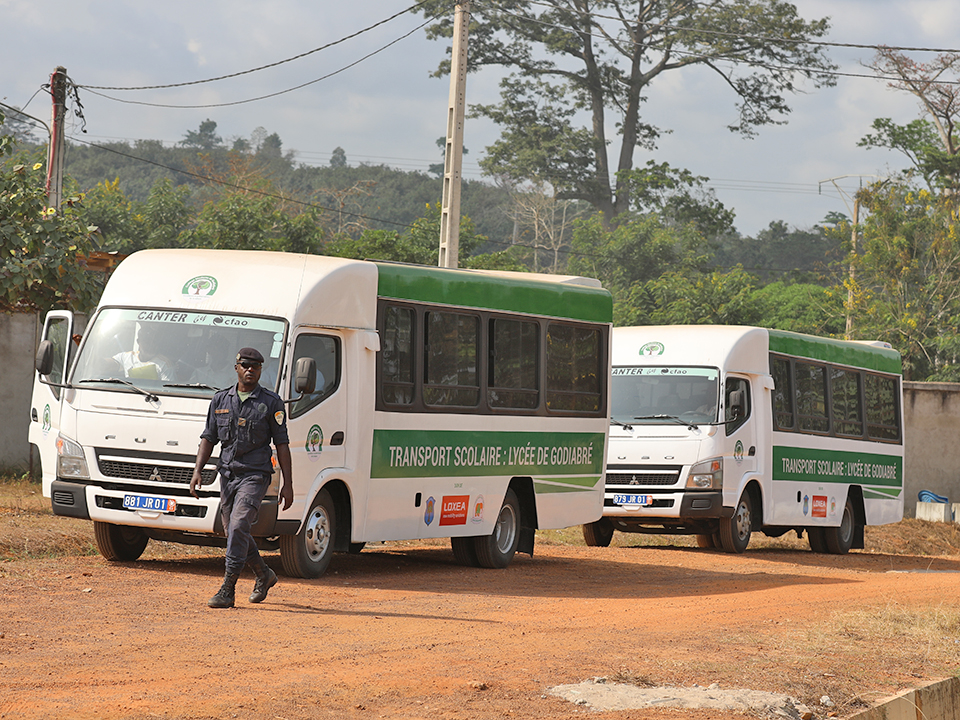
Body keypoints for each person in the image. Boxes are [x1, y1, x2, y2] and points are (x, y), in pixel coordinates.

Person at [190, 347, 294, 609]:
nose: (250, 370)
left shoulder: (271, 403)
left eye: (256, 366)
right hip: (227, 474)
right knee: (235, 531)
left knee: (237, 527)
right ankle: (263, 574)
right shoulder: (220, 400)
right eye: (245, 365)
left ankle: (228, 588)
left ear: (261, 370)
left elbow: (282, 445)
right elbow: (209, 438)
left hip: (255, 475)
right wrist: (197, 470)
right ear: (236, 367)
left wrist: (288, 484)